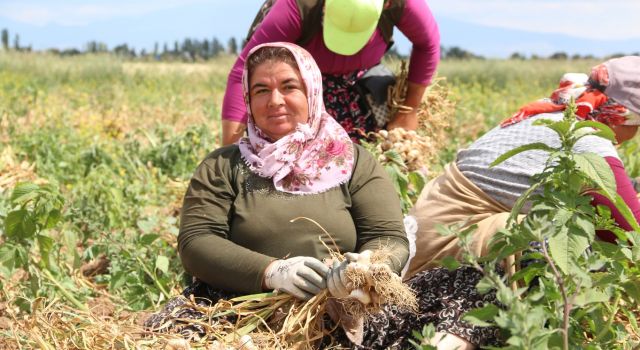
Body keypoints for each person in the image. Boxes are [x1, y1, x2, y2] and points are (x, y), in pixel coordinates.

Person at [145, 42, 501, 350]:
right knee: (174, 333)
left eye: (289, 86)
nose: (276, 100)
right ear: (248, 100)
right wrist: (272, 272)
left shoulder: (353, 161)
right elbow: (197, 242)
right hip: (243, 308)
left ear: (312, 91)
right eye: (261, 90)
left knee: (476, 282)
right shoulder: (224, 166)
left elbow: (389, 237)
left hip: (348, 305)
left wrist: (364, 270)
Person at [404, 56, 640, 285]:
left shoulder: (549, 112)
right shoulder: (589, 143)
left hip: (419, 238)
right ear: (623, 116)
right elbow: (631, 238)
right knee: (570, 239)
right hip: (446, 251)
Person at [220, 0, 440, 145]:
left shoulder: (400, 3)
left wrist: (407, 111)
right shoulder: (298, 6)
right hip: (305, 85)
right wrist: (231, 151)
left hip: (363, 81)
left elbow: (428, 44)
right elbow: (244, 70)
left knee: (387, 153)